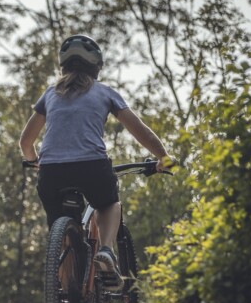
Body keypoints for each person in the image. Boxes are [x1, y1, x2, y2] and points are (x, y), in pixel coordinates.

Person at [19, 34, 175, 288]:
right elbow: (141, 131)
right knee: (109, 203)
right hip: (91, 166)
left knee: (64, 243)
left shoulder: (50, 94)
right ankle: (105, 249)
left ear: (63, 66)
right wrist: (164, 158)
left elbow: (26, 142)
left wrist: (35, 160)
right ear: (96, 67)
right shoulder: (105, 93)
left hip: (50, 173)